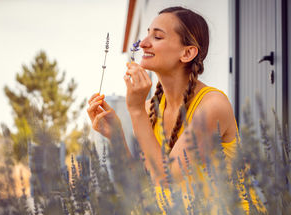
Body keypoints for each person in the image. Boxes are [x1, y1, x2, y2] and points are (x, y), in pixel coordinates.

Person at [87, 6, 238, 188]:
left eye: (157, 37)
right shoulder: (150, 109)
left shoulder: (212, 106)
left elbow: (166, 179)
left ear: (187, 53)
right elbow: (144, 185)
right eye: (147, 34)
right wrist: (116, 136)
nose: (142, 43)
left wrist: (135, 110)